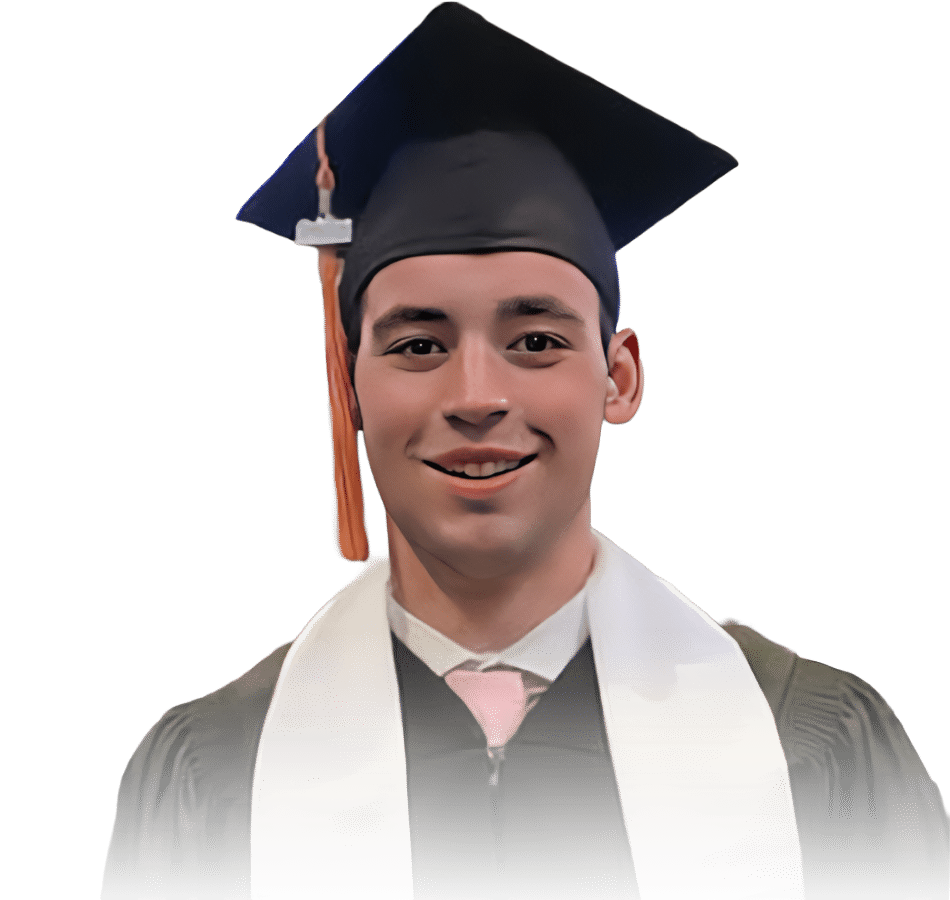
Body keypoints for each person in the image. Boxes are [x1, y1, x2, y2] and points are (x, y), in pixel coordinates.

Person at [101, 3, 949, 898]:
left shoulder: (808, 744)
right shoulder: (219, 769)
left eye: (536, 341)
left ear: (619, 378)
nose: (475, 397)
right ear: (348, 387)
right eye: (418, 345)